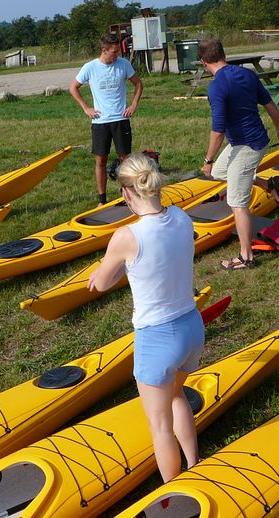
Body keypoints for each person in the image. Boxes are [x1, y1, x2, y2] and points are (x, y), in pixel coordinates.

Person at [87, 153, 204, 482]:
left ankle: (174, 489)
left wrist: (99, 273)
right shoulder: (183, 217)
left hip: (157, 339)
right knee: (177, 395)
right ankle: (195, 464)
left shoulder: (126, 236)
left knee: (159, 425)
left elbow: (103, 283)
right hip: (192, 328)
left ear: (126, 193)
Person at [198, 38, 279, 270]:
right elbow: (269, 104)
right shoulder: (247, 74)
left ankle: (246, 257)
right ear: (223, 54)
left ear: (203, 62)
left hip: (249, 146)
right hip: (244, 142)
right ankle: (267, 185)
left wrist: (207, 160)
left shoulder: (217, 86)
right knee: (221, 173)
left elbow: (217, 131)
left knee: (237, 202)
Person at [70, 33, 144, 206]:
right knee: (101, 160)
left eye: (118, 51)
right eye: (114, 52)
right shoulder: (90, 67)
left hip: (121, 119)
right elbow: (73, 87)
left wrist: (133, 104)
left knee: (125, 159)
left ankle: (128, 194)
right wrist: (86, 108)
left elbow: (138, 84)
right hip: (100, 122)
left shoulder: (124, 64)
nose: (117, 54)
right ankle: (102, 199)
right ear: (104, 51)